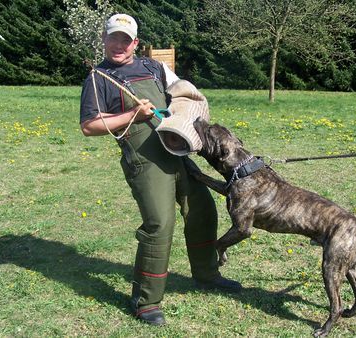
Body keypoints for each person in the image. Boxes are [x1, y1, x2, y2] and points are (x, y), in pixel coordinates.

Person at [79, 13, 241, 326]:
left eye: (125, 40)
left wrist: (188, 113)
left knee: (203, 209)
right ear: (104, 39)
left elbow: (181, 90)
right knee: (159, 224)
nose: (118, 45)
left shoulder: (153, 66)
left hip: (175, 148)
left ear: (135, 43)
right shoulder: (98, 79)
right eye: (113, 37)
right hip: (143, 159)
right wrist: (132, 117)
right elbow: (89, 126)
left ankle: (207, 275)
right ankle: (146, 302)